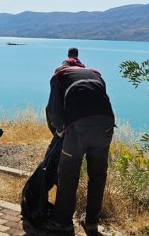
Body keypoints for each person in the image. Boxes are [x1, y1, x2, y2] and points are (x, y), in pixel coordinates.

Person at [44, 62, 115, 236]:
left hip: (78, 129)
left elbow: (53, 110)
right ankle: (91, 222)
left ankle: (63, 223)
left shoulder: (58, 77)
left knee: (68, 176)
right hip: (106, 125)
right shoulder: (96, 75)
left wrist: (60, 131)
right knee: (97, 176)